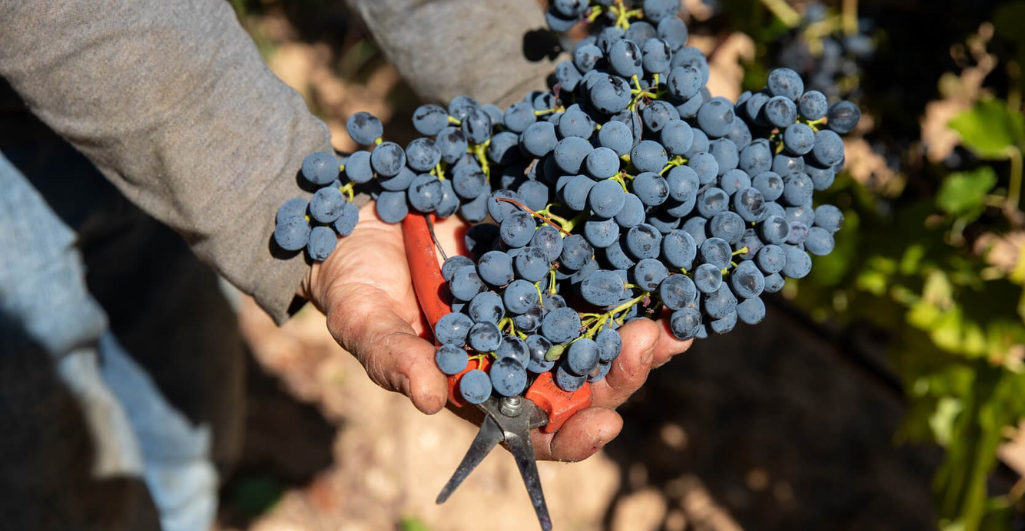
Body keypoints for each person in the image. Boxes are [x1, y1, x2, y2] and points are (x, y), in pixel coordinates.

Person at [0, 1, 693, 530]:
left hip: (159, 94)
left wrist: (531, 107)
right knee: (58, 471)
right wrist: (269, 187)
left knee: (185, 413)